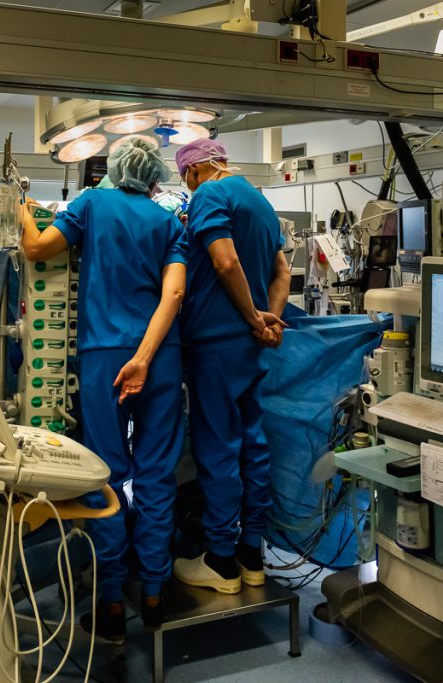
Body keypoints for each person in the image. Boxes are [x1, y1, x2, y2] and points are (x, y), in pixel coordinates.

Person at [20, 136, 188, 639]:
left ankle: (112, 603)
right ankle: (154, 594)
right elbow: (174, 292)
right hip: (160, 360)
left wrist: (25, 212)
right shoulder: (167, 221)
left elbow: (35, 248)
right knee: (157, 476)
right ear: (154, 175)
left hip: (104, 359)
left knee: (107, 475)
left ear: (114, 168)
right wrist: (145, 357)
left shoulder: (91, 203)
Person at [172, 138, 291, 595]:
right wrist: (269, 320)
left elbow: (224, 263)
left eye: (186, 177)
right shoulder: (259, 201)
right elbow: (281, 271)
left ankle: (221, 560)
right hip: (250, 346)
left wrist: (248, 315)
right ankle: (251, 552)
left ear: (196, 169)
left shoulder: (209, 195)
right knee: (252, 443)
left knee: (218, 446)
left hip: (216, 343)